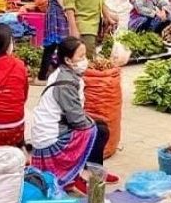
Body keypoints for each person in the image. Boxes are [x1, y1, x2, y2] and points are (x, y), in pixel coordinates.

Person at [29, 37, 114, 190]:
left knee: (100, 124)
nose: (84, 60)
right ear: (68, 59)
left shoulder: (63, 72)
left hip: (57, 125)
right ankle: (80, 175)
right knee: (98, 130)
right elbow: (78, 121)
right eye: (80, 57)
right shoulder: (65, 83)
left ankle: (95, 170)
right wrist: (92, 122)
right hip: (51, 139)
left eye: (85, 56)